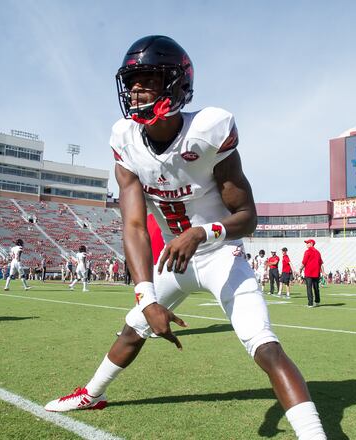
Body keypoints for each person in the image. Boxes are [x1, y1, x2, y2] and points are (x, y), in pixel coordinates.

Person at [44, 35, 325, 440]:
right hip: (174, 261)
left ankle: (314, 434)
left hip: (220, 255)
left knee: (265, 346)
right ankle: (91, 394)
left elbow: (248, 218)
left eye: (148, 79)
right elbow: (135, 226)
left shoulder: (209, 131)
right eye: (131, 81)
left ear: (176, 85)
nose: (136, 89)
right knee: (133, 328)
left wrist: (201, 232)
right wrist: (146, 298)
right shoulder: (124, 140)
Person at [301, 239, 323, 308]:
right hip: (316, 272)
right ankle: (317, 301)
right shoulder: (318, 252)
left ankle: (310, 303)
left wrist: (300, 268)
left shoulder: (307, 251)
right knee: (316, 287)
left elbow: (304, 262)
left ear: (311, 243)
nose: (306, 244)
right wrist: (323, 271)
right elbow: (321, 263)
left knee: (309, 288)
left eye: (307, 243)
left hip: (309, 272)